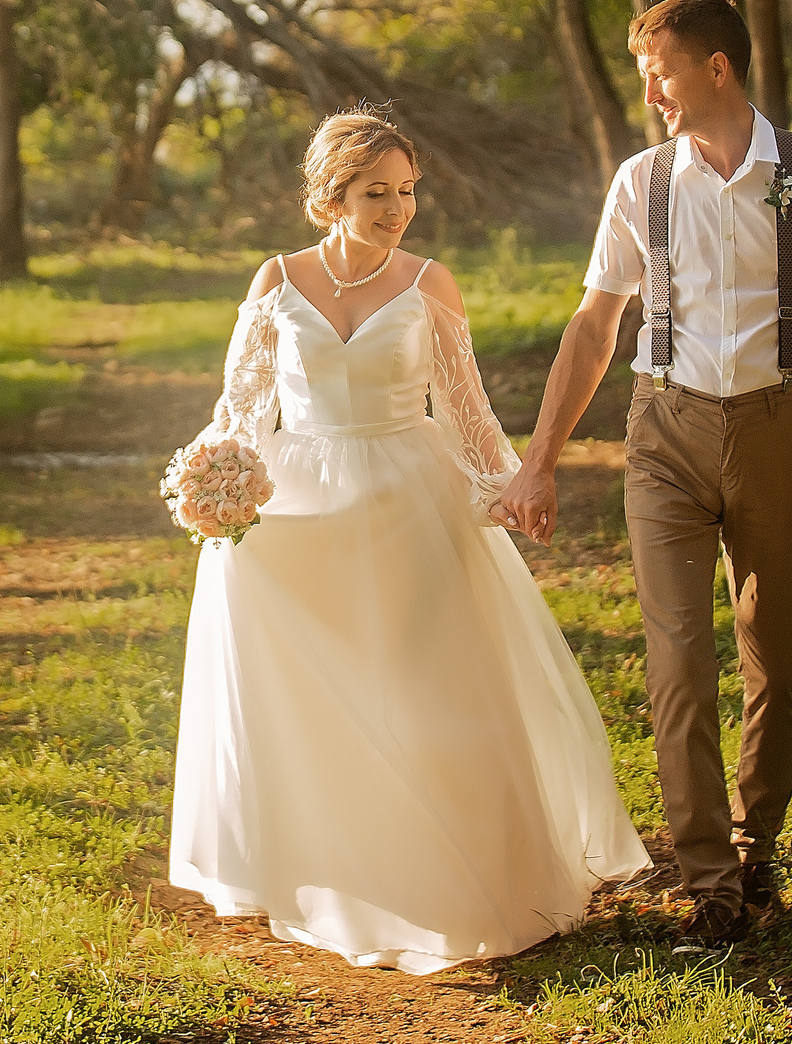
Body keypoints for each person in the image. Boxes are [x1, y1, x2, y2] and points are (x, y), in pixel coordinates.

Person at [168, 106, 648, 974]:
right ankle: (331, 863)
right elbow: (239, 412)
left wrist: (510, 485)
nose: (397, 209)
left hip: (407, 499)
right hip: (298, 516)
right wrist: (217, 485)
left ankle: (456, 876)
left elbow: (465, 414)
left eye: (407, 191)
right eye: (376, 193)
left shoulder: (431, 284)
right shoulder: (275, 281)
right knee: (317, 698)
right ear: (331, 196)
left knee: (429, 687)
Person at [497, 0, 792, 946]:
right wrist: (538, 460)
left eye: (660, 72)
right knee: (678, 661)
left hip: (774, 429)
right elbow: (595, 326)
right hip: (662, 430)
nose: (652, 92)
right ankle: (709, 878)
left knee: (777, 655)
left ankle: (757, 842)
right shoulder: (641, 181)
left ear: (717, 68)